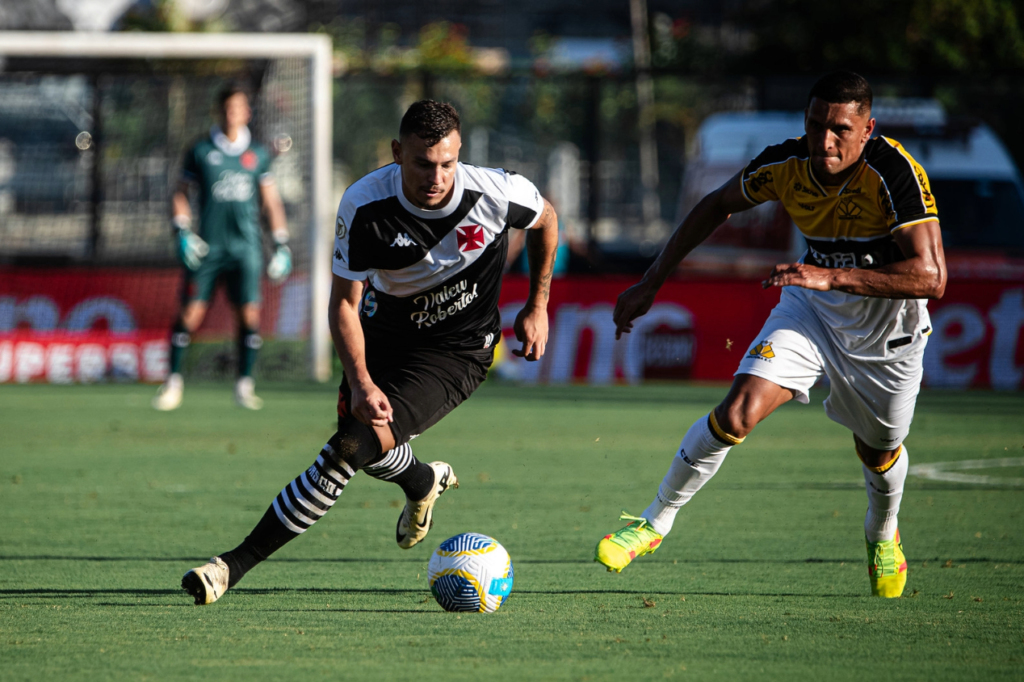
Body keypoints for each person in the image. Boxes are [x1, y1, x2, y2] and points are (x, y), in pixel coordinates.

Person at [181, 99, 558, 605]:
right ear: (397, 152)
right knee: (364, 446)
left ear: (460, 152)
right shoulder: (364, 204)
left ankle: (230, 566)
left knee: (348, 450)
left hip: (458, 352)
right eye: (422, 163)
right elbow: (344, 303)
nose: (436, 177)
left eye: (447, 163)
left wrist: (538, 304)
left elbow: (546, 219)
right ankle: (422, 480)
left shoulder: (496, 191)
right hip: (381, 338)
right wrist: (360, 380)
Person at [594, 71, 945, 598]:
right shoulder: (785, 164)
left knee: (878, 452)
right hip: (811, 310)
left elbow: (931, 277)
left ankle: (882, 532)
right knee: (737, 411)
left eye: (841, 130)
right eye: (816, 125)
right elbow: (716, 204)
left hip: (886, 332)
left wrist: (832, 276)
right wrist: (652, 281)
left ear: (867, 129)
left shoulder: (893, 172)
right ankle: (654, 522)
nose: (825, 141)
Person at [152, 83, 292, 412]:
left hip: (246, 249)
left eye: (238, 108)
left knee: (249, 315)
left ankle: (244, 385)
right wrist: (181, 230)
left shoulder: (257, 154)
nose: (233, 115)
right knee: (190, 313)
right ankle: (173, 382)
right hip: (207, 248)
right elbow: (180, 193)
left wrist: (281, 243)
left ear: (247, 113)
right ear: (219, 111)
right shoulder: (200, 150)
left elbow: (271, 201)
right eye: (228, 109)